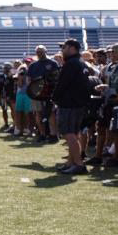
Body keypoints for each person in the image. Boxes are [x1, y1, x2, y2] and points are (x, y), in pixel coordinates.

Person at [52, 38, 93, 175]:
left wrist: (54, 97)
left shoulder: (71, 64)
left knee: (69, 134)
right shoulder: (80, 63)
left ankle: (79, 164)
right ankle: (71, 163)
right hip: (78, 103)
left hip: (69, 104)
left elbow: (63, 83)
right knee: (74, 134)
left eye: (64, 47)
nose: (62, 50)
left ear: (72, 48)